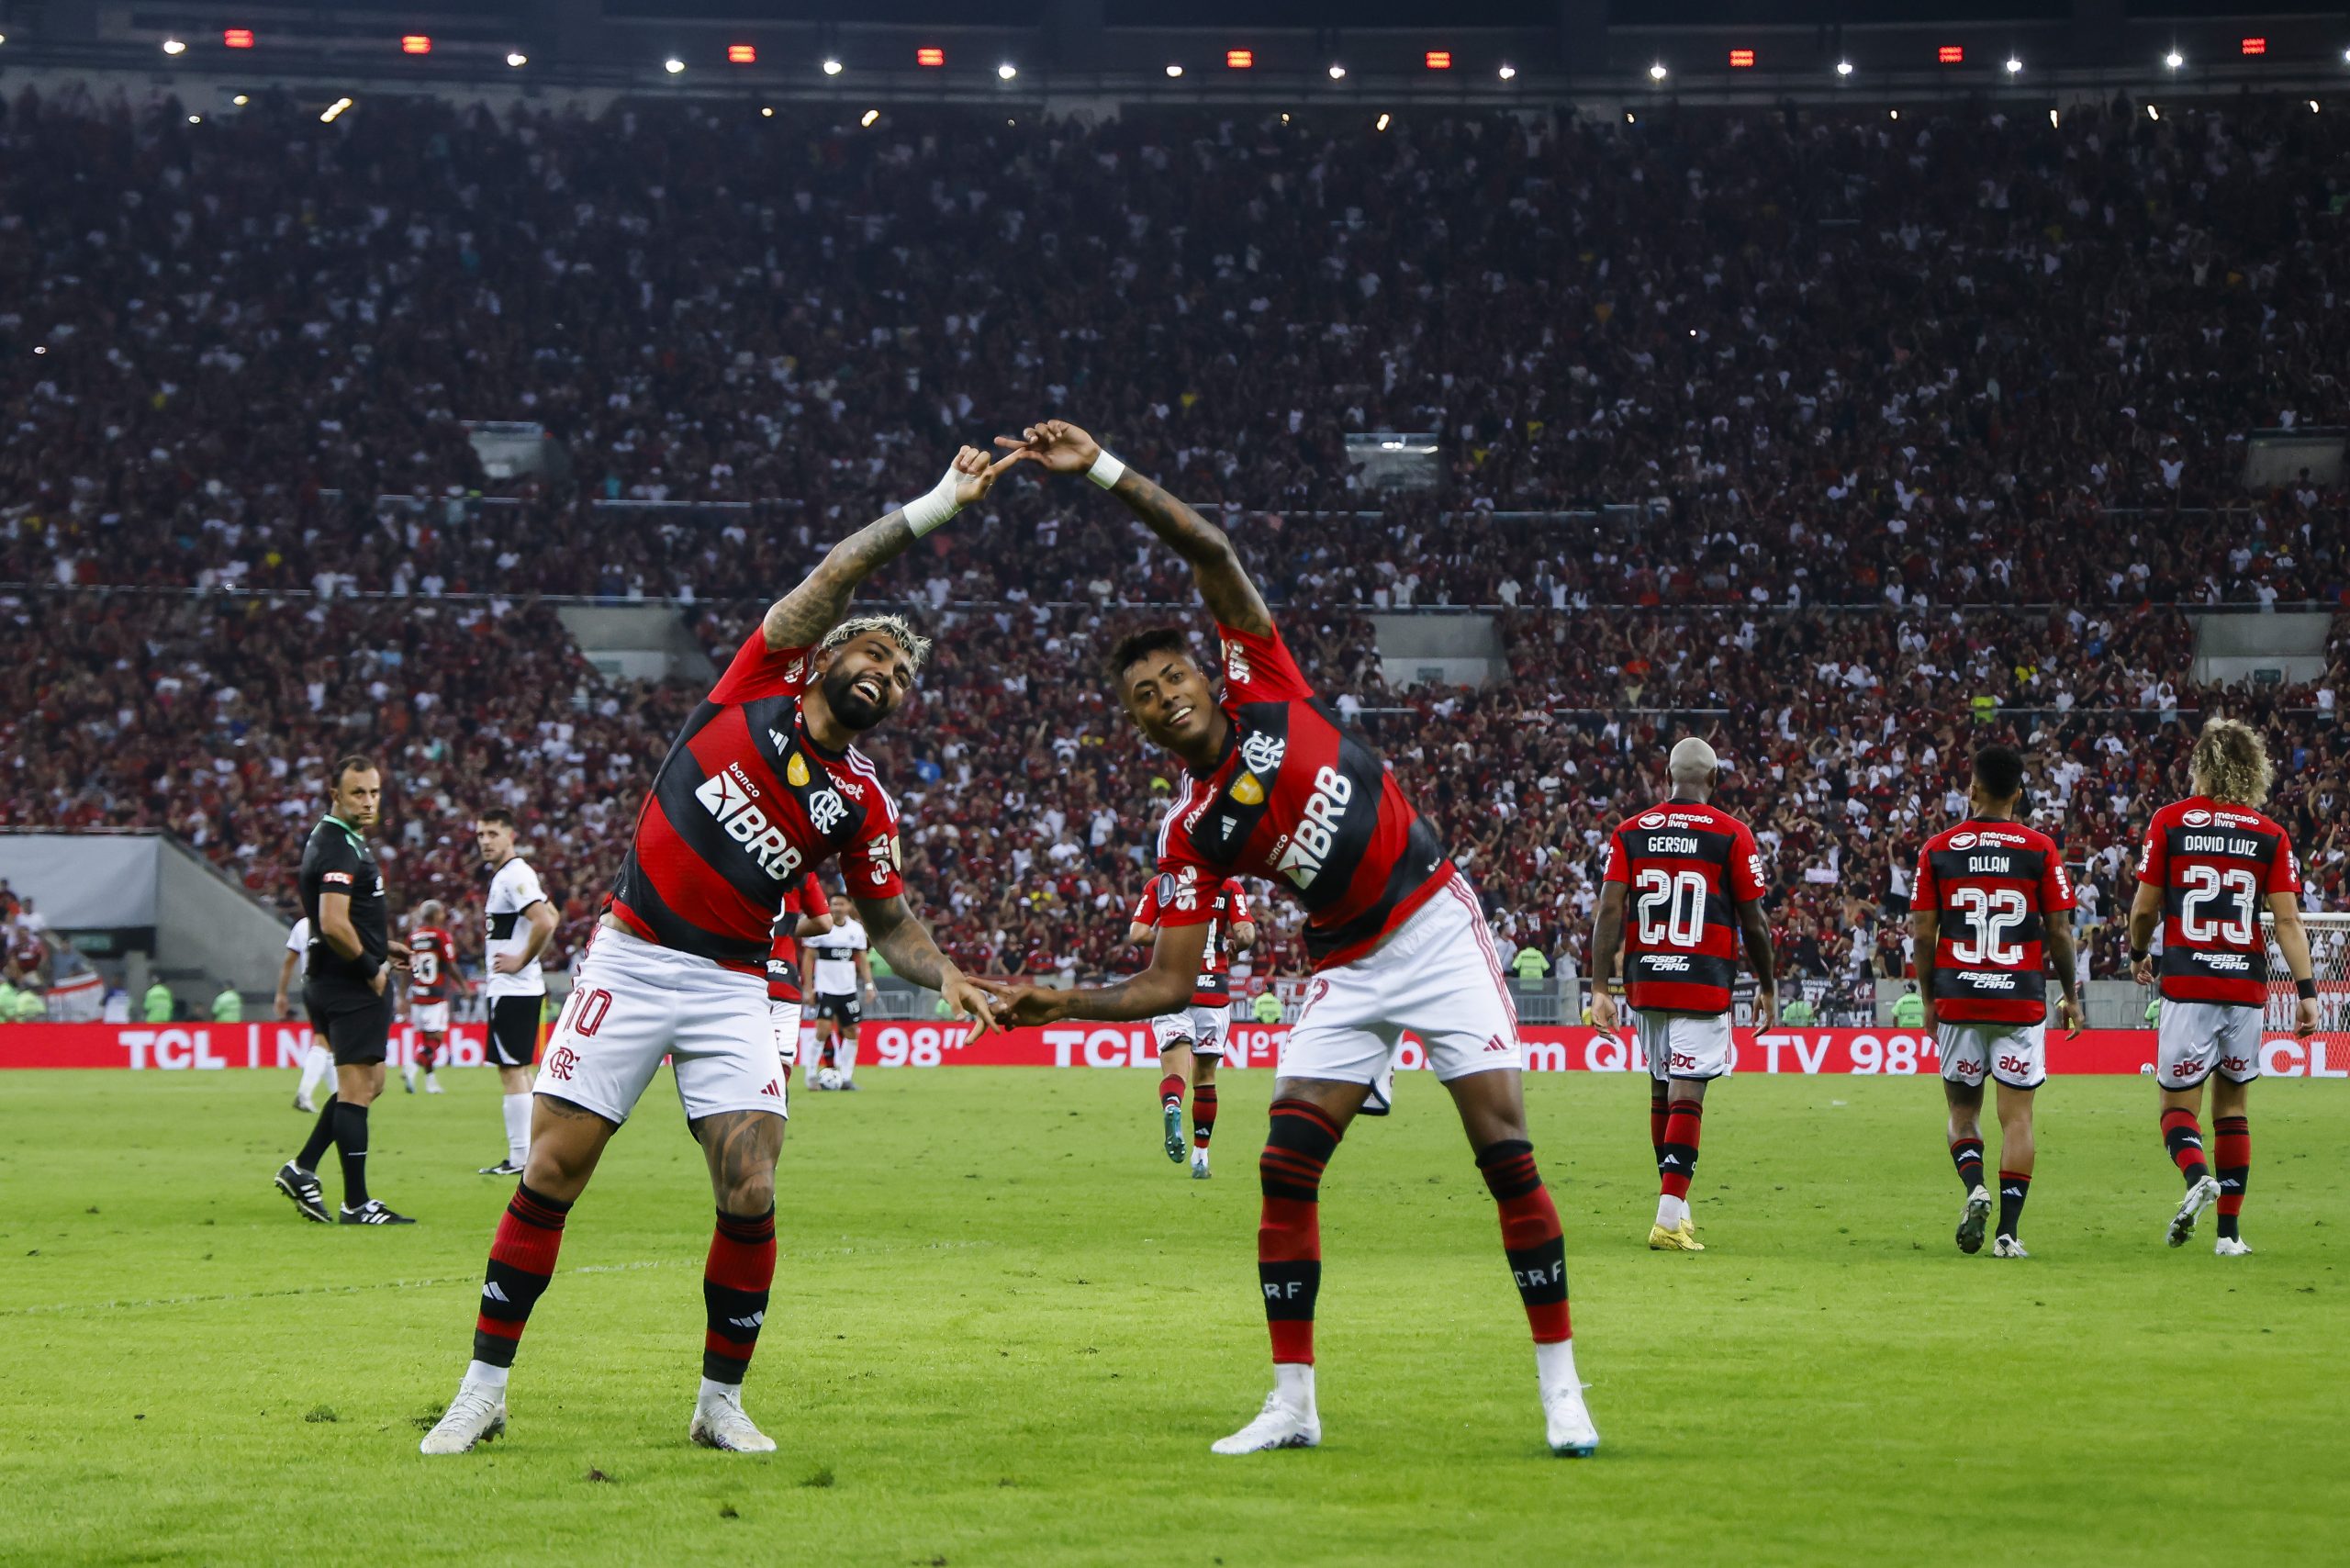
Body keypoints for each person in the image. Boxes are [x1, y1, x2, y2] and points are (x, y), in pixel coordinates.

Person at [984, 420, 1597, 1459]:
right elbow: (1169, 981)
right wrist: (1063, 1000)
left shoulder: (1265, 677)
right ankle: (1293, 1402)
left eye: (1172, 676)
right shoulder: (1191, 831)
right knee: (1283, 1167)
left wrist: (1102, 471)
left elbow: (1209, 552)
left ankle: (1561, 1387)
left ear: (1206, 676)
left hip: (1436, 930)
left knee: (1504, 1154)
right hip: (1346, 966)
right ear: (1135, 729)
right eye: (1141, 698)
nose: (1164, 696)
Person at [420, 445, 1010, 1457]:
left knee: (751, 1185)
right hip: (632, 956)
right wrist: (935, 506)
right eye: (875, 654)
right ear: (829, 656)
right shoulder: (755, 683)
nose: (889, 674)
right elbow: (835, 576)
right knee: (554, 1169)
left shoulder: (863, 801)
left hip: (735, 982)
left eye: (905, 674)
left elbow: (888, 922)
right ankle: (482, 1391)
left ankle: (718, 1401)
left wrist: (945, 970)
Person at [2127, 719, 2319, 1255]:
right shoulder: (2269, 833)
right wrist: (2307, 991)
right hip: (2245, 989)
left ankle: (2196, 1180)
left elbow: (2144, 908)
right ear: (2254, 770)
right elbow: (2287, 922)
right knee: (2233, 1109)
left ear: (2201, 768)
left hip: (2188, 985)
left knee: (2176, 1109)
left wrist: (2140, 953)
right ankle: (2230, 1235)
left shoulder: (2170, 821)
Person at [1588, 737, 1777, 1253]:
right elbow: (1754, 923)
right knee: (1687, 1093)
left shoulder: (1630, 833)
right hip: (1702, 978)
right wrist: (1766, 984)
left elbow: (1609, 911)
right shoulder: (1732, 835)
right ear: (1714, 779)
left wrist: (1601, 986)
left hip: (1646, 980)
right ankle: (1669, 1218)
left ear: (1666, 776)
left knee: (1660, 1089)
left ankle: (1677, 1208)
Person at [1909, 745, 2083, 1260]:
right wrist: (2070, 996)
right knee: (2019, 1119)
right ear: (2020, 794)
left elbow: (1923, 934)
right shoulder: (2040, 848)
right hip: (2019, 1003)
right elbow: (2060, 931)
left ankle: (1974, 1189)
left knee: (1963, 1115)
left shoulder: (1938, 849)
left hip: (1960, 1000)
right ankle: (2007, 1233)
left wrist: (1928, 999)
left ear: (1973, 789)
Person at [274, 756, 415, 1226]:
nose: (369, 801)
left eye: (374, 792)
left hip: (336, 977)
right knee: (357, 1088)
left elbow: (340, 918)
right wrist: (370, 964)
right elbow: (333, 922)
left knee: (370, 1084)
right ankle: (357, 1203)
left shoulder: (341, 840)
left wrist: (381, 945)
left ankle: (302, 1168)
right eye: (358, 792)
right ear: (335, 795)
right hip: (347, 983)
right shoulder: (337, 846)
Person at [1128, 871, 1255, 1177]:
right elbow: (1246, 935)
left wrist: (1173, 934)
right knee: (1206, 1077)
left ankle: (1172, 1104)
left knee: (1175, 1071)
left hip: (1170, 988)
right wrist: (1235, 941)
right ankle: (1201, 1156)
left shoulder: (1162, 885)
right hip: (1213, 992)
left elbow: (1136, 933)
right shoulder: (1227, 886)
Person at [476, 811, 558, 1174]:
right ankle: (525, 1157)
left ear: (510, 835)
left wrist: (521, 960)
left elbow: (543, 920)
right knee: (519, 1070)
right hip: (518, 989)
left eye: (493, 833)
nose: (485, 841)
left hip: (513, 989)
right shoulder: (513, 876)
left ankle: (520, 1158)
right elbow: (551, 916)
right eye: (480, 835)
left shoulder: (514, 875)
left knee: (511, 1071)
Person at [800, 890, 876, 1090]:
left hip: (848, 990)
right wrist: (808, 988)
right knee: (822, 1031)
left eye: (841, 904)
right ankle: (810, 1077)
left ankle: (846, 1078)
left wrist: (869, 985)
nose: (837, 908)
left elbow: (863, 960)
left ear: (849, 907)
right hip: (826, 989)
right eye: (834, 904)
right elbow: (808, 957)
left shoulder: (856, 930)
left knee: (851, 1031)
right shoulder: (821, 927)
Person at [767, 871, 834, 1071]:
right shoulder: (800, 867)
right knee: (778, 1069)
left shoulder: (729, 856)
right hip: (782, 980)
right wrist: (784, 930)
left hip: (737, 979)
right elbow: (824, 922)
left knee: (735, 1067)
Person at [276, 916, 338, 1113]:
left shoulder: (303, 925)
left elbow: (288, 963)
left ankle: (338, 1097)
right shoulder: (336, 921)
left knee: (329, 1044)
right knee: (324, 1042)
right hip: (332, 987)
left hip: (310, 988)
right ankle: (305, 1093)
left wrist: (281, 993)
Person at [402, 899, 460, 1095]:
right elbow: (450, 965)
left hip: (418, 994)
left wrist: (403, 996)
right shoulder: (441, 936)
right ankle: (412, 1065)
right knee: (436, 1040)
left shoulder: (412, 937)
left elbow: (405, 968)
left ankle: (430, 1082)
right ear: (435, 916)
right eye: (442, 913)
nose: (444, 916)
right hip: (436, 995)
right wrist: (463, 986)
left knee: (427, 1040)